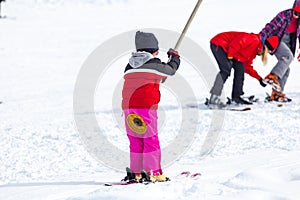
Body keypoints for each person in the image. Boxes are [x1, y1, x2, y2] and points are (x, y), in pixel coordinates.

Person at [121, 31, 180, 182]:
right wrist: (175, 59)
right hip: (146, 107)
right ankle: (153, 171)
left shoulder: (130, 65)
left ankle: (136, 172)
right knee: (150, 139)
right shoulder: (154, 64)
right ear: (154, 51)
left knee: (136, 140)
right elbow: (170, 71)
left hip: (128, 108)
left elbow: (151, 75)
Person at [208, 31, 279, 107]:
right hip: (219, 43)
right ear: (266, 47)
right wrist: (230, 56)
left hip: (229, 50)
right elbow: (236, 43)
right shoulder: (254, 39)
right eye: (268, 51)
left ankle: (236, 97)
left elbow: (247, 66)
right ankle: (214, 97)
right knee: (226, 69)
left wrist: (259, 79)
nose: (267, 53)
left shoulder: (254, 52)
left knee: (240, 68)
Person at [260, 4, 300, 102]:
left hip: (288, 42)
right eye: (296, 12)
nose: (297, 15)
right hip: (277, 39)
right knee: (288, 56)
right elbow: (271, 26)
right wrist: (261, 38)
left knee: (286, 69)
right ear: (292, 10)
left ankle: (276, 93)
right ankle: (272, 76)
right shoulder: (284, 15)